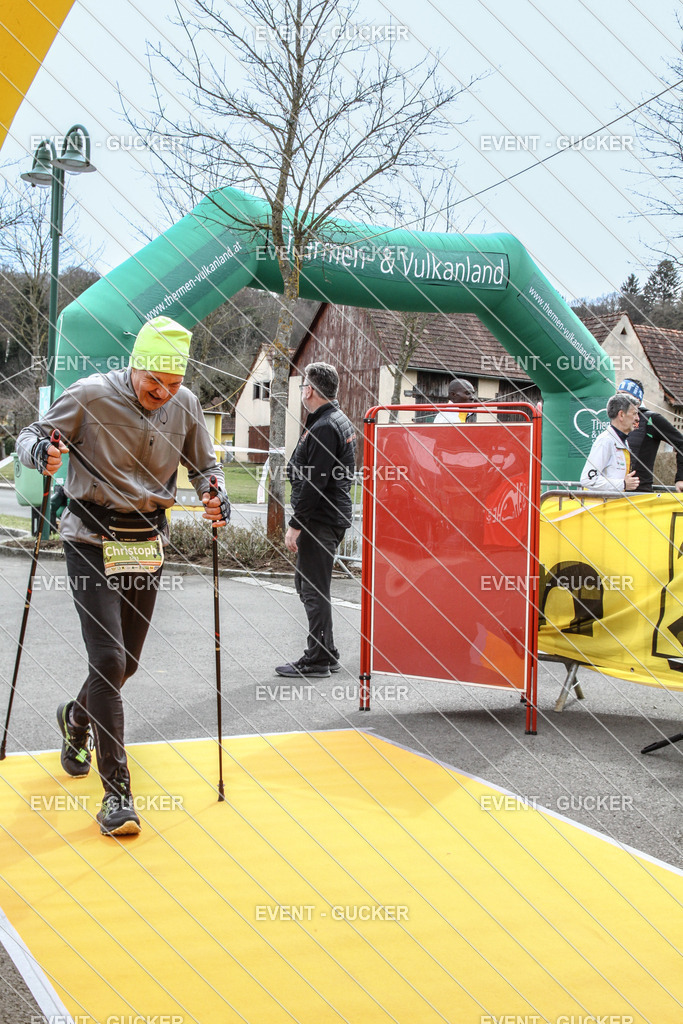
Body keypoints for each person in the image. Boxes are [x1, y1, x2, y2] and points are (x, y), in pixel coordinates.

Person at [16, 316, 230, 837]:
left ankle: (76, 716)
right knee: (108, 658)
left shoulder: (187, 405)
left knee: (125, 664)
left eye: (173, 384)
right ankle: (118, 796)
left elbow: (206, 467)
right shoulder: (89, 395)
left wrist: (214, 493)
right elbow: (32, 434)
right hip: (90, 537)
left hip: (144, 541)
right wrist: (40, 454)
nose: (162, 393)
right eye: (153, 380)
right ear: (134, 364)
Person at [276, 362, 356, 679]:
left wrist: (295, 526)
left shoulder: (324, 426)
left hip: (319, 520)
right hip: (328, 517)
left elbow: (314, 483)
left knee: (312, 589)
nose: (301, 391)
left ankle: (318, 658)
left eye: (302, 386)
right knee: (308, 585)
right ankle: (327, 652)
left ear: (309, 389)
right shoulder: (331, 419)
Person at [616, 378, 683, 493]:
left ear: (637, 399)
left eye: (625, 396)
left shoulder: (651, 419)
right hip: (613, 492)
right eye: (618, 395)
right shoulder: (616, 420)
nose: (619, 400)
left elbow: (681, 443)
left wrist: (680, 478)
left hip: (639, 495)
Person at [580, 393, 640, 492]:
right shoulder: (605, 441)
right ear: (621, 415)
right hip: (599, 506)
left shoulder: (622, 441)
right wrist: (623, 484)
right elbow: (587, 480)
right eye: (634, 413)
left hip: (613, 505)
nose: (638, 418)